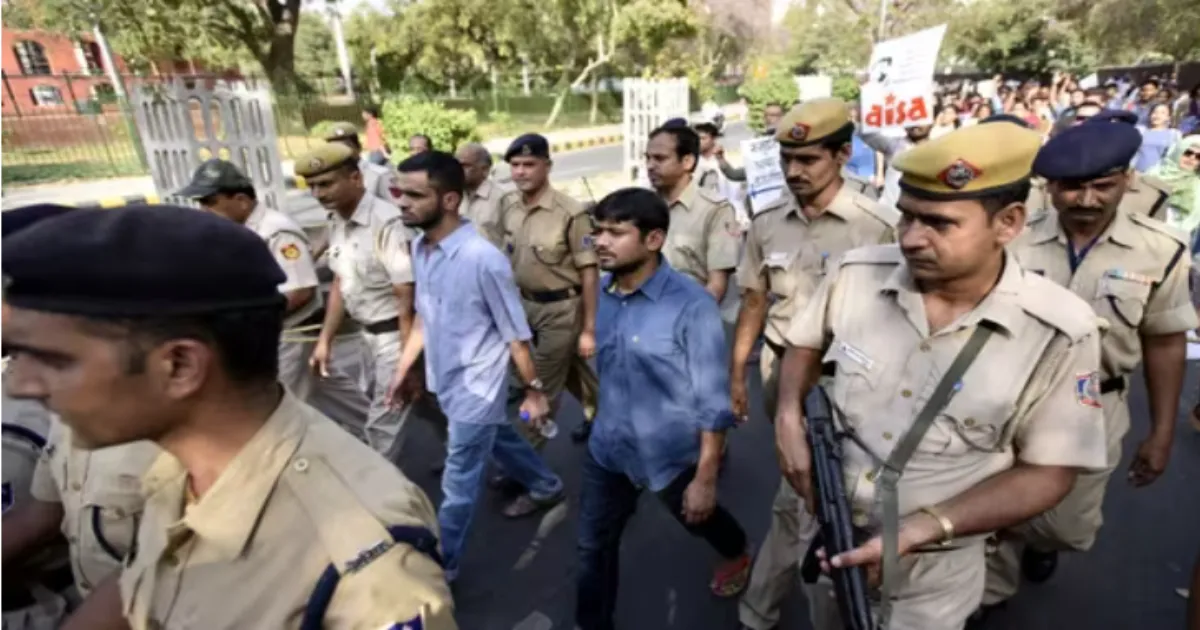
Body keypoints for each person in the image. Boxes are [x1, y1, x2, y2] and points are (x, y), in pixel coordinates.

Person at [1, 205, 455, 629]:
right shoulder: (180, 472)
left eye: (55, 360)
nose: (21, 384)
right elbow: (141, 584)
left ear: (179, 366)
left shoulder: (361, 566)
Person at [773, 121, 1107, 630]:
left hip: (934, 569)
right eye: (906, 216)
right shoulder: (855, 275)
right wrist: (787, 417)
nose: (911, 238)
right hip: (827, 537)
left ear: (1008, 223)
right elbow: (803, 343)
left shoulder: (1061, 330)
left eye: (938, 223)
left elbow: (1049, 472)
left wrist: (919, 531)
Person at [977, 119, 1197, 622]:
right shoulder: (1012, 237)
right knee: (989, 502)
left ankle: (1036, 538)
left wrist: (1161, 433)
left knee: (1066, 526)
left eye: (1103, 185)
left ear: (1128, 180)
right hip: (1005, 398)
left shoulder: (1162, 250)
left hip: (1092, 406)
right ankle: (990, 592)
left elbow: (1164, 341)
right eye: (1072, 187)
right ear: (1049, 186)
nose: (1087, 200)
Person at [731, 98, 898, 630]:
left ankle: (767, 608)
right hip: (780, 372)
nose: (794, 171)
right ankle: (769, 606)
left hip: (847, 380)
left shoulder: (879, 226)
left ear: (843, 155)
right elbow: (754, 300)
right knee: (800, 493)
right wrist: (737, 373)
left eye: (808, 159)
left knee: (810, 502)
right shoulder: (767, 223)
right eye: (787, 159)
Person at [576, 188, 750, 630]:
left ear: (653, 240)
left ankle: (736, 552)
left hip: (670, 455)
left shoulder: (692, 306)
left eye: (616, 233)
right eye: (598, 231)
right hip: (609, 449)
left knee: (700, 518)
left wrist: (705, 478)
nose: (601, 242)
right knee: (593, 547)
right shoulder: (604, 295)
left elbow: (712, 400)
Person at [387, 150, 565, 582]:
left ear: (449, 200)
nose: (402, 203)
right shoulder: (420, 247)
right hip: (445, 377)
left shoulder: (482, 259)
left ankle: (443, 565)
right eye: (399, 193)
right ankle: (546, 485)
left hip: (478, 386)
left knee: (458, 482)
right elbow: (425, 316)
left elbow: (515, 334)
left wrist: (534, 391)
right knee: (498, 434)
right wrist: (402, 370)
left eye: (415, 195)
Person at [176, 159, 372, 441]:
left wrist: (251, 319)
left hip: (290, 335)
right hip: (274, 333)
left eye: (209, 202)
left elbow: (300, 290)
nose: (203, 210)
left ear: (241, 200)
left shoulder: (276, 232)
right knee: (330, 392)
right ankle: (380, 433)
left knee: (280, 410)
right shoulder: (240, 230)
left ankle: (298, 456)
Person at [298, 143, 437, 462]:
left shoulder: (386, 222)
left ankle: (379, 494)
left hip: (396, 337)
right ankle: (519, 467)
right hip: (368, 338)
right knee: (434, 408)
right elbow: (340, 282)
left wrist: (407, 360)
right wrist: (325, 339)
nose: (318, 194)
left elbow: (407, 295)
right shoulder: (336, 220)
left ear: (356, 178)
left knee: (381, 429)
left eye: (326, 183)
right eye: (312, 186)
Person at [496, 133, 600, 448]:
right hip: (524, 305)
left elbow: (589, 272)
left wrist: (588, 330)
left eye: (529, 164)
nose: (521, 172)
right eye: (515, 165)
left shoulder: (570, 213)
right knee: (569, 372)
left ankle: (528, 460)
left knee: (539, 384)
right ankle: (608, 417)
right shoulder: (509, 206)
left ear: (547, 166)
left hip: (562, 310)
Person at [645, 124, 741, 302]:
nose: (650, 166)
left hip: (691, 310)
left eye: (660, 158)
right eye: (648, 158)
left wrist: (687, 315)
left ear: (687, 162)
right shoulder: (642, 206)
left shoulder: (715, 210)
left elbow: (716, 286)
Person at [324, 121, 399, 206]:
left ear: (358, 147)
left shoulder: (380, 175)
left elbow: (397, 207)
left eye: (345, 148)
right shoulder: (331, 179)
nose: (341, 153)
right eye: (334, 150)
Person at [455, 141, 510, 248]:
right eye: (456, 165)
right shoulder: (453, 197)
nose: (458, 170)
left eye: (465, 166)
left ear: (485, 169)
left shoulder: (502, 197)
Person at [718, 102, 786, 182]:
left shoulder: (792, 141)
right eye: (766, 115)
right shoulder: (757, 146)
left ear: (783, 117)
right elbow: (735, 175)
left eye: (774, 115)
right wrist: (720, 158)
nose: (769, 119)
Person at [1148, 135, 1200, 236]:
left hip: (1172, 236)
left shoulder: (1197, 186)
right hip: (1143, 227)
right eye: (1188, 153)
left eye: (1198, 157)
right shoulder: (1155, 172)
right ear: (1178, 152)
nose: (1192, 158)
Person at [1135, 103, 1184, 172]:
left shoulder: (1174, 134)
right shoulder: (1141, 131)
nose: (1157, 115)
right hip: (1135, 172)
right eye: (1155, 112)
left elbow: (1173, 157)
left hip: (1156, 175)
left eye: (1162, 113)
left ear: (1168, 117)